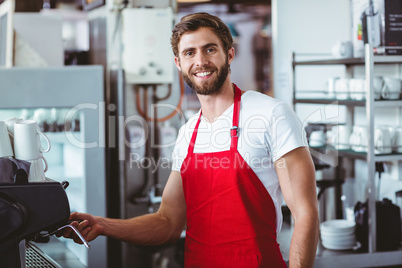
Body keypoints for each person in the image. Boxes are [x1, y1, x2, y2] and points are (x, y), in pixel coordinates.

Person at [61, 12, 319, 267]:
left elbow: (305, 215)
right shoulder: (188, 133)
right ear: (178, 63)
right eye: (189, 53)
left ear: (229, 54)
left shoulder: (271, 114)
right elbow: (168, 223)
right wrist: (102, 225)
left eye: (210, 49)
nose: (200, 61)